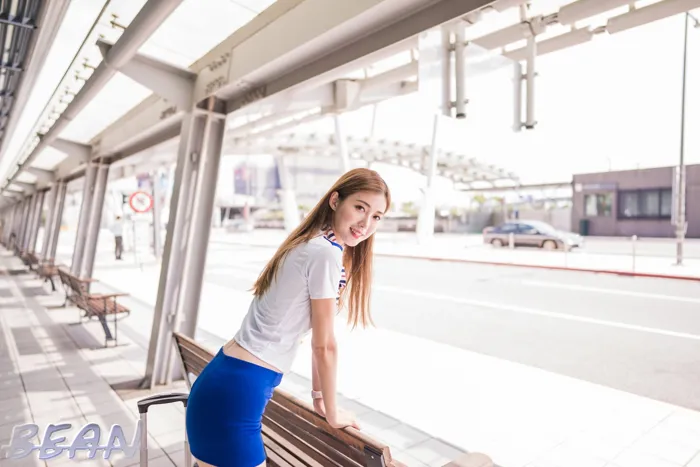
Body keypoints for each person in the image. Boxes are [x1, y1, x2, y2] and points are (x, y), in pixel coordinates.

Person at [185, 168, 391, 467]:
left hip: (223, 385)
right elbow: (324, 345)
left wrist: (320, 398)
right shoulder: (325, 253)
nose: (366, 223)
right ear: (335, 200)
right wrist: (331, 412)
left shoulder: (309, 242)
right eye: (360, 207)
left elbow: (315, 341)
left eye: (376, 216)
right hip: (237, 398)